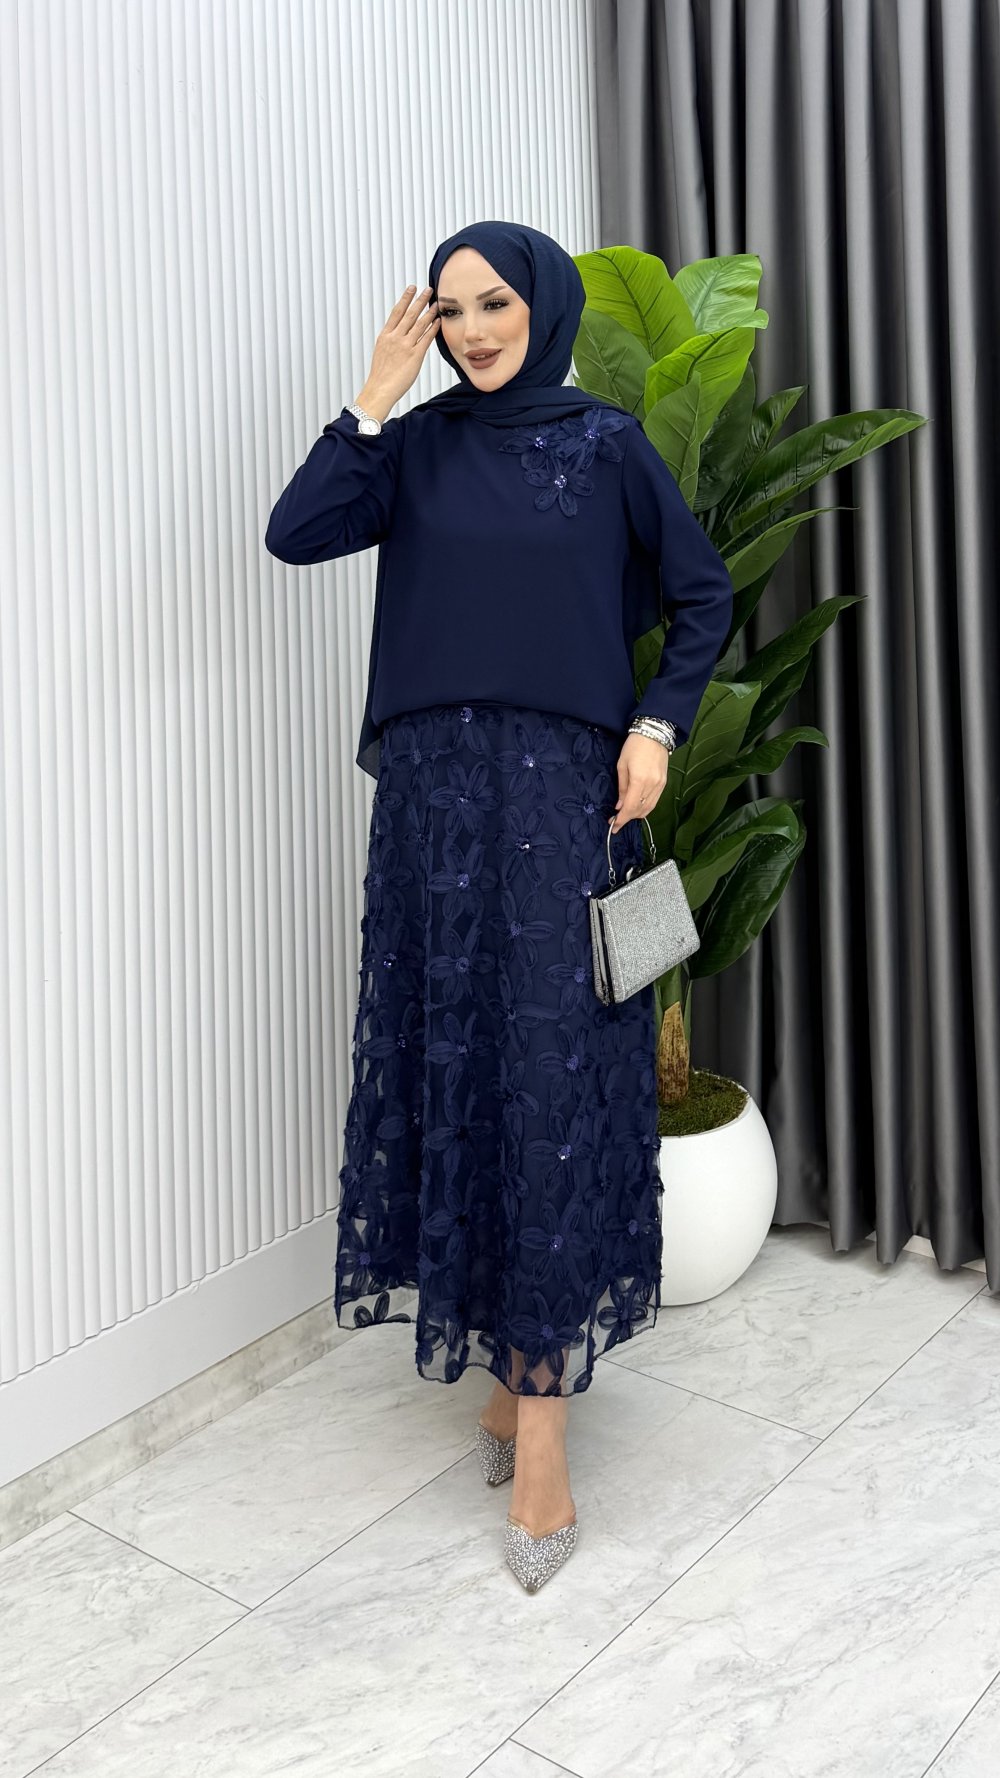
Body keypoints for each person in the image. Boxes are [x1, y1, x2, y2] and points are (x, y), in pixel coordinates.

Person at [265, 220, 734, 1592]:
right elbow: (296, 533)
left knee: (546, 1083)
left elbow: (700, 597)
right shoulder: (410, 450)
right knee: (459, 1073)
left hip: (560, 805)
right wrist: (374, 392)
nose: (472, 330)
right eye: (450, 308)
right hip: (430, 814)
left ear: (543, 305)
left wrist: (656, 727)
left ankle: (541, 1428)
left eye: (494, 303)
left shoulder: (606, 445)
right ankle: (505, 1373)